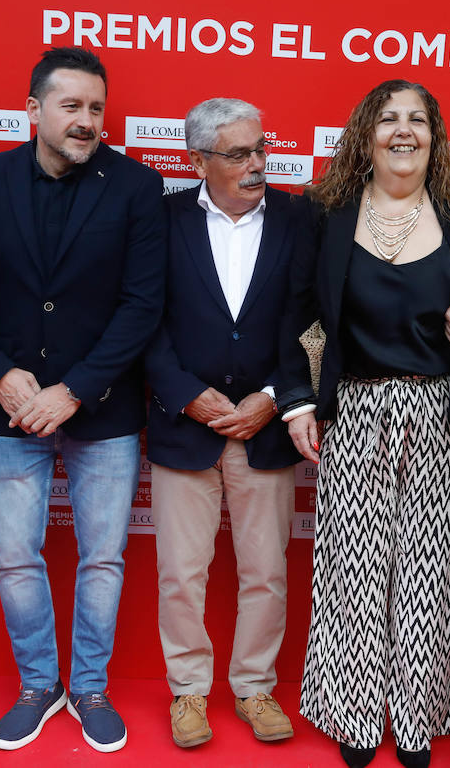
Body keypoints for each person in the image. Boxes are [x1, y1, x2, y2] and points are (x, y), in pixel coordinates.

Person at [0, 47, 165, 754]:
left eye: (96, 108)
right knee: (16, 558)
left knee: (103, 558)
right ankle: (39, 683)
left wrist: (74, 389)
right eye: (71, 105)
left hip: (102, 412)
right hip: (8, 410)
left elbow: (143, 306)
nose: (85, 120)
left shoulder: (138, 187)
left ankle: (90, 686)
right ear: (34, 109)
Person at [277, 78, 450, 768]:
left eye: (418, 120)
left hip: (442, 419)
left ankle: (418, 721)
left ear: (436, 135)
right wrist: (299, 402)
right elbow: (292, 316)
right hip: (357, 411)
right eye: (389, 119)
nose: (404, 131)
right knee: (353, 572)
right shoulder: (325, 213)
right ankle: (357, 716)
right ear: (365, 134)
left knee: (435, 574)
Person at [144, 98, 305, 749]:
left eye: (260, 148)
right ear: (198, 161)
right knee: (181, 572)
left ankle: (254, 687)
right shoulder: (162, 219)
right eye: (238, 154)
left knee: (265, 570)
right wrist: (186, 395)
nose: (256, 164)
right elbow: (141, 320)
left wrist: (274, 394)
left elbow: (309, 318)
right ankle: (188, 693)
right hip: (184, 427)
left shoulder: (299, 216)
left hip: (266, 426)